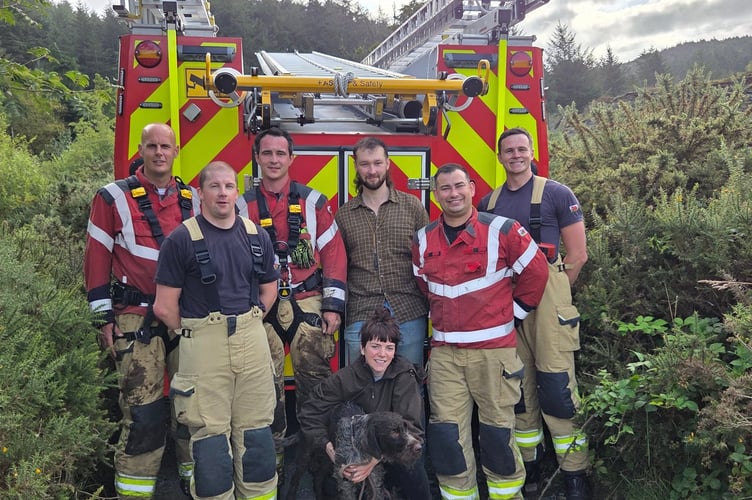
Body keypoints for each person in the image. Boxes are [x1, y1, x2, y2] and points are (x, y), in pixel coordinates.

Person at [413, 163, 549, 499]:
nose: (453, 194)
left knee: (497, 435)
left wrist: (513, 315)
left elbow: (537, 272)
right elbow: (422, 284)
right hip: (445, 356)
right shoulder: (422, 239)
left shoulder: (503, 230)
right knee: (447, 439)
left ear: (472, 188)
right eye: (445, 188)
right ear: (436, 194)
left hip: (494, 353)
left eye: (459, 186)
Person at [84, 123, 199, 499]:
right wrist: (103, 316)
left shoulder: (193, 199)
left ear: (176, 150)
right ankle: (134, 493)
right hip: (136, 316)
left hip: (185, 317)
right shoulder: (112, 198)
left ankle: (196, 481)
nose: (159, 152)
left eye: (165, 146)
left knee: (193, 408)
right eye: (152, 146)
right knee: (144, 413)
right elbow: (97, 256)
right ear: (141, 149)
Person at [153, 161, 279, 500]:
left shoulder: (256, 235)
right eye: (215, 186)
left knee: (257, 437)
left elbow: (270, 288)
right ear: (200, 193)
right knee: (210, 441)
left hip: (252, 339)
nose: (223, 193)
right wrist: (199, 333)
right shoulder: (180, 240)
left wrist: (251, 322)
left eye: (229, 186)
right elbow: (164, 307)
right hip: (204, 344)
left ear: (237, 192)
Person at [478, 127, 589, 499]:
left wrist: (554, 295)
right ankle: (531, 465)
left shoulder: (557, 194)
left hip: (547, 304)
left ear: (531, 152)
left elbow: (577, 255)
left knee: (558, 387)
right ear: (500, 156)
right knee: (518, 391)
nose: (515, 155)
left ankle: (575, 474)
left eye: (521, 149)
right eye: (508, 150)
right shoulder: (487, 203)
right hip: (506, 304)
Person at [236, 127, 347, 473]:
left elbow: (333, 253)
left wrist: (332, 305)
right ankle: (274, 458)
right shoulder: (243, 205)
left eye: (280, 154)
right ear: (257, 158)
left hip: (308, 299)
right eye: (266, 153)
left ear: (291, 159)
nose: (273, 160)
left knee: (316, 381)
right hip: (260, 304)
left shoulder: (313, 202)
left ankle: (319, 456)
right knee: (264, 383)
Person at [298, 307, 431, 499]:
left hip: (390, 452)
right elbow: (310, 411)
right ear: (362, 348)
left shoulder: (405, 377)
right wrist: (331, 451)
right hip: (351, 452)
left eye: (389, 347)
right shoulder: (346, 378)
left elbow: (413, 429)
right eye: (375, 346)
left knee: (413, 469)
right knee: (329, 485)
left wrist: (372, 462)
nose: (382, 354)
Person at [335, 137, 429, 366]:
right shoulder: (344, 215)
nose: (372, 170)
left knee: (408, 383)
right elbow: (336, 267)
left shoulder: (412, 206)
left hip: (408, 309)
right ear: (355, 166)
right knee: (358, 387)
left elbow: (429, 257)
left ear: (388, 164)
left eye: (377, 163)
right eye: (365, 164)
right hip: (360, 312)